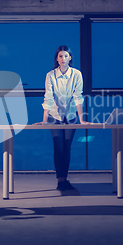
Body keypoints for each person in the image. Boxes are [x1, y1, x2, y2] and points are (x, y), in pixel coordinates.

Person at [34, 45, 90, 191]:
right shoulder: (50, 75)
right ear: (57, 59)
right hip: (54, 115)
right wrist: (45, 119)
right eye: (60, 56)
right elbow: (48, 97)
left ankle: (65, 179)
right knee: (58, 147)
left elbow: (78, 96)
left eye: (66, 56)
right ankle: (61, 181)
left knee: (67, 148)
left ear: (70, 58)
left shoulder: (77, 74)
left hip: (71, 115)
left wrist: (82, 119)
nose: (63, 58)